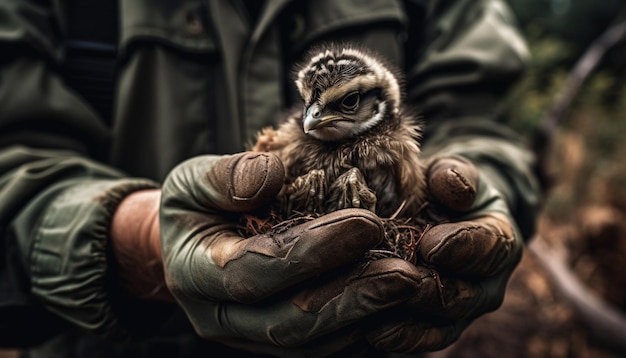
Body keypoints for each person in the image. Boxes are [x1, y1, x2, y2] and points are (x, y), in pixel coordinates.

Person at [0, 0, 541, 356]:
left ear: (381, 103)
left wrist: (478, 188)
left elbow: (484, 119)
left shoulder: (399, 146)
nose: (312, 120)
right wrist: (136, 241)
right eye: (311, 107)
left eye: (344, 105)